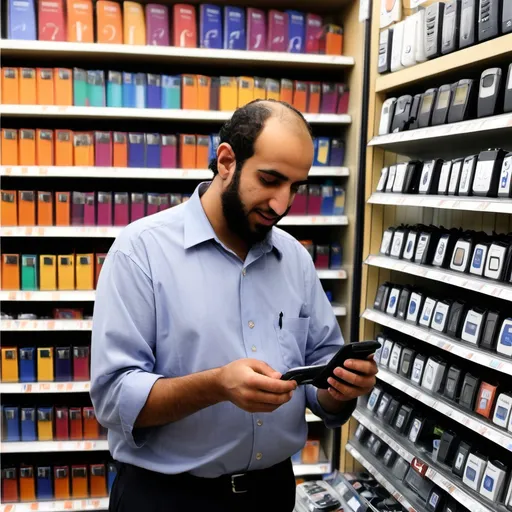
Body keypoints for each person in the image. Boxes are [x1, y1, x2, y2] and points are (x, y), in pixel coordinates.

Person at [90, 99, 378, 512]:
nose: (282, 205)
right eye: (269, 179)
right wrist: (218, 385)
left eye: (295, 187)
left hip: (271, 494)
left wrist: (340, 387)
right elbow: (114, 399)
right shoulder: (140, 252)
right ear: (226, 161)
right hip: (168, 499)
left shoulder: (295, 260)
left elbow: (320, 384)